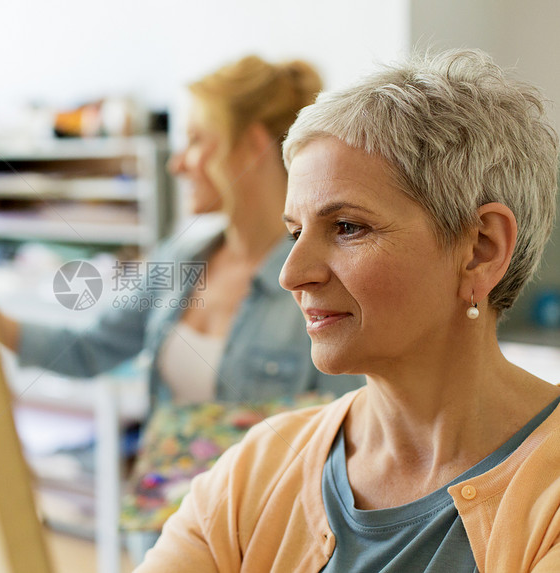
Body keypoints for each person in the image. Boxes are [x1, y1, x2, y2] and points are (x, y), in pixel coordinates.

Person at [135, 48, 560, 572]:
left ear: (481, 249)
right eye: (295, 232)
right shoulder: (257, 468)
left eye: (347, 227)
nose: (292, 274)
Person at [0, 55, 363, 560]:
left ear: (253, 145)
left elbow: (350, 442)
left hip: (264, 546)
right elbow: (90, 347)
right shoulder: (182, 257)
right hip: (163, 538)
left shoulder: (321, 280)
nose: (177, 162)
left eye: (195, 140)